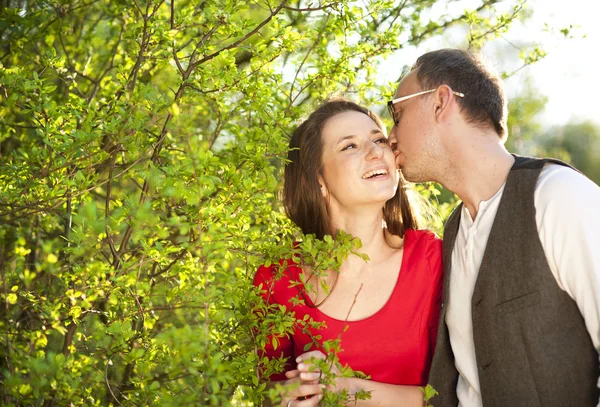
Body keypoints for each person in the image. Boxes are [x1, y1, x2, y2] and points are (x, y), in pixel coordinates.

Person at [386, 48, 600, 407]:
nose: (390, 136)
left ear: (440, 102)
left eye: (397, 113)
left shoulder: (558, 197)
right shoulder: (454, 230)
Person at [253, 99, 443, 407]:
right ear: (317, 181)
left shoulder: (432, 261)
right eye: (350, 146)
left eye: (379, 139)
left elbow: (458, 396)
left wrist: (349, 390)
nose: (376, 151)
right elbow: (269, 396)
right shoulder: (276, 280)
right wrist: (295, 392)